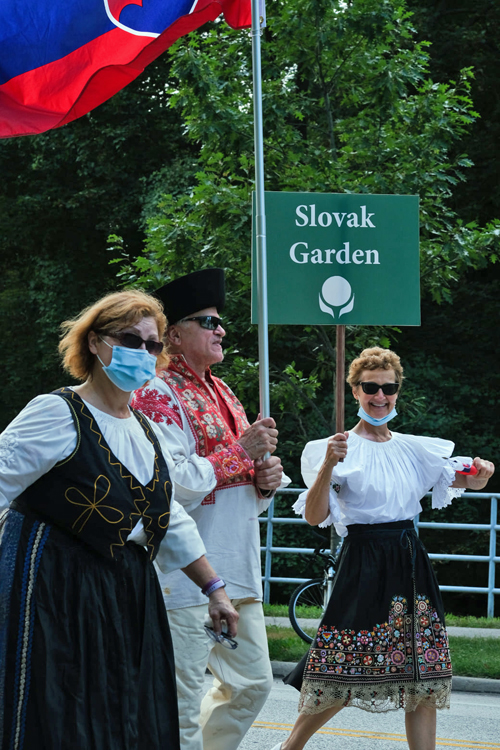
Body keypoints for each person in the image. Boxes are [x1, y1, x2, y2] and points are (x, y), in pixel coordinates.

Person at [0, 289, 238, 750]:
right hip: (54, 584)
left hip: (127, 587)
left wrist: (214, 589)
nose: (143, 353)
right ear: (94, 343)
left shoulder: (145, 429)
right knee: (58, 712)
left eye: (152, 345)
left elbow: (165, 517)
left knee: (126, 711)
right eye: (130, 339)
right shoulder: (58, 412)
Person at [270, 347, 495, 750]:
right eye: (370, 387)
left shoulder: (415, 448)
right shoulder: (334, 447)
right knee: (343, 667)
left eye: (387, 388)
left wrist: (483, 472)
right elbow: (314, 515)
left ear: (397, 391)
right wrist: (327, 465)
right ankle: (290, 747)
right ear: (355, 390)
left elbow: (470, 482)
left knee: (422, 670)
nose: (380, 396)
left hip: (409, 559)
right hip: (364, 560)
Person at [132, 268, 289, 750]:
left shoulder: (224, 392)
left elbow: (241, 486)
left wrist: (267, 483)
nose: (221, 330)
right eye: (208, 321)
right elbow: (171, 485)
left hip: (237, 570)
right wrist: (241, 454)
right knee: (178, 706)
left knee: (253, 686)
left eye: (220, 322)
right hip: (182, 578)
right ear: (173, 335)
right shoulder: (155, 394)